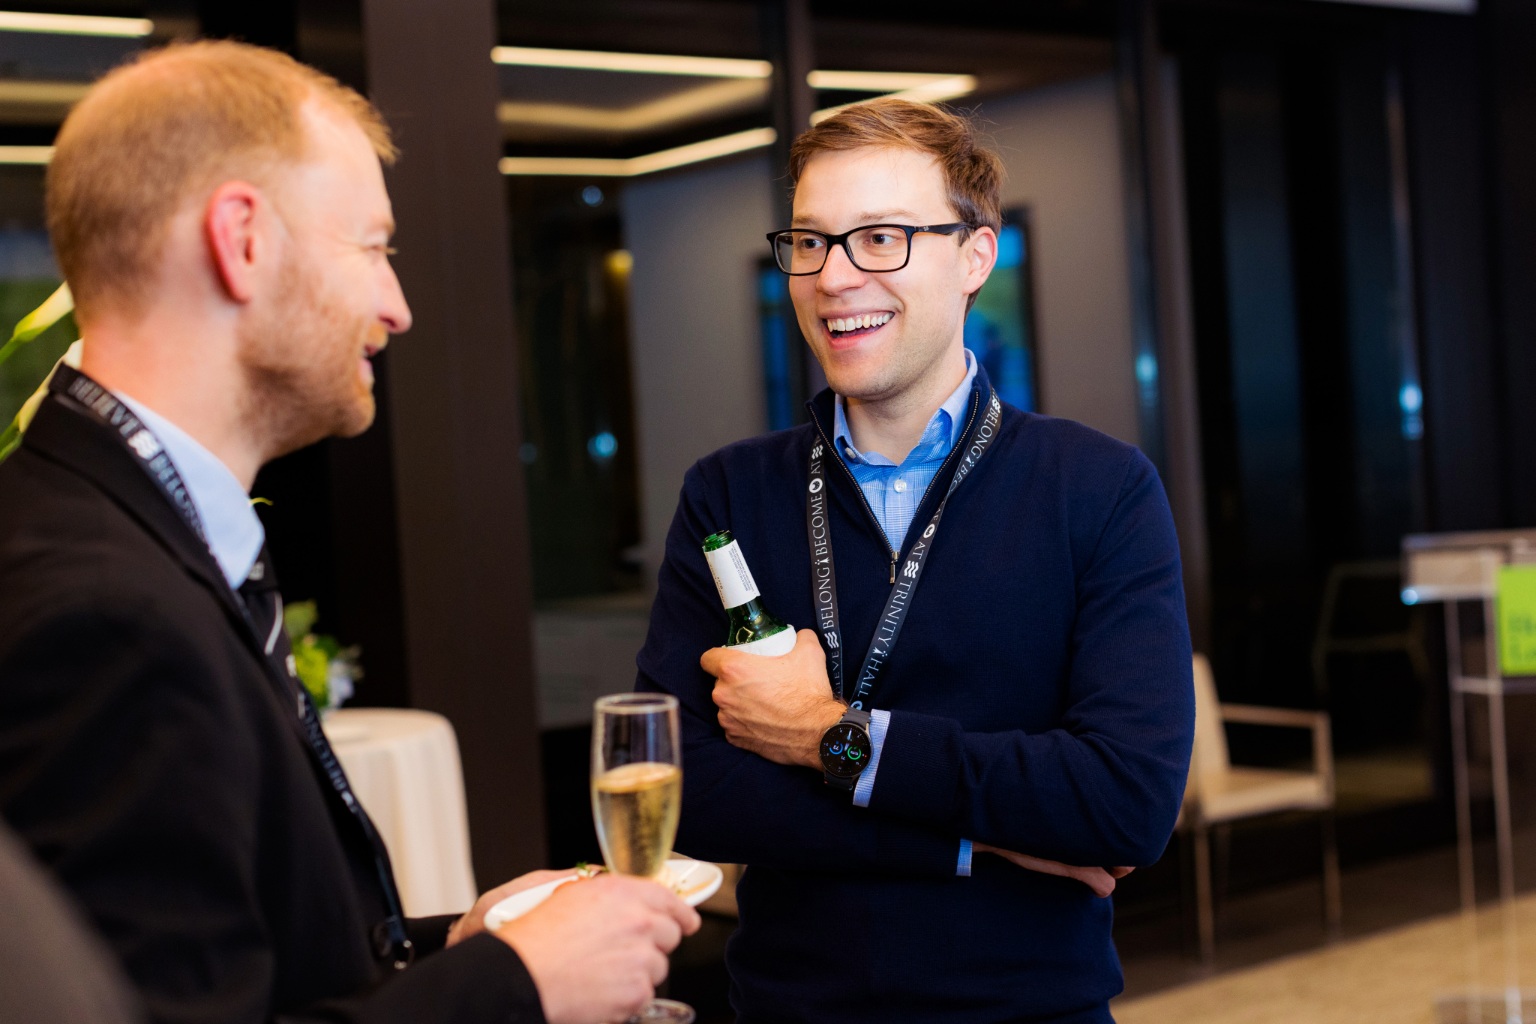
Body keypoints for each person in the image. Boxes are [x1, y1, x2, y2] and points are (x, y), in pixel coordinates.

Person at [0, 40, 697, 1024]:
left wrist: (458, 950)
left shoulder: (127, 532)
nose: (399, 307)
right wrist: (515, 987)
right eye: (373, 246)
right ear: (242, 240)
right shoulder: (103, 613)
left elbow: (237, 952)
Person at [637, 98, 1194, 1023]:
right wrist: (980, 843)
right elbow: (687, 790)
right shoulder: (729, 495)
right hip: (787, 1008)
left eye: (881, 238)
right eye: (811, 243)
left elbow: (1122, 802)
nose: (836, 277)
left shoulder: (1099, 490)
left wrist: (822, 735)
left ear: (977, 255)